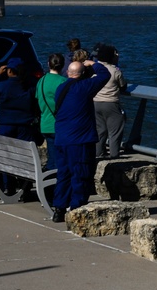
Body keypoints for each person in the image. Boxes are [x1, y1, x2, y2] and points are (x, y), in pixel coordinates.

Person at [51, 60, 111, 223]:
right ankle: (77, 208)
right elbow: (105, 75)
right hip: (79, 139)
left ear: (68, 73)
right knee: (81, 174)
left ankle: (59, 208)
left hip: (62, 138)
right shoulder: (84, 87)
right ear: (83, 74)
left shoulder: (61, 88)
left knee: (64, 174)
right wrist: (94, 63)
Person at [91, 44, 127, 159]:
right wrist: (116, 61)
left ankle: (98, 153)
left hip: (95, 102)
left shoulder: (93, 68)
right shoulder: (115, 70)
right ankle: (114, 155)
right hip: (111, 103)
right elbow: (123, 86)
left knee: (100, 130)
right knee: (115, 131)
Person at [35, 53, 68, 170]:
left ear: (48, 64)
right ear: (63, 65)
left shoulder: (41, 81)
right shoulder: (64, 82)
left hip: (46, 124)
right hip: (60, 125)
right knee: (62, 159)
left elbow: (38, 99)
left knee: (52, 157)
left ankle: (50, 184)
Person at [0, 57, 37, 141]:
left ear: (9, 71)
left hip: (5, 124)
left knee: (5, 152)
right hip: (25, 124)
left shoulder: (1, 86)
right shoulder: (30, 87)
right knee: (25, 152)